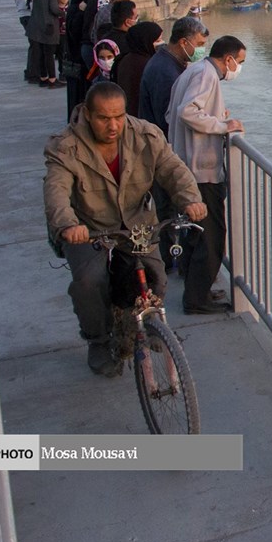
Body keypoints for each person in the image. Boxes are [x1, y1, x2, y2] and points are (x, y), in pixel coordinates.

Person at [43, 82, 206, 376]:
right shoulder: (66, 147)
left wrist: (191, 199)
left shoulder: (146, 135)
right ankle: (98, 340)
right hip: (87, 226)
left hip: (136, 221)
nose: (113, 125)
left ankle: (152, 326)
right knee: (89, 282)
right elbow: (56, 191)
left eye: (119, 116)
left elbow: (173, 169)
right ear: (88, 115)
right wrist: (67, 225)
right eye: (104, 118)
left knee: (155, 276)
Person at [166, 35, 246, 315]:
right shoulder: (207, 76)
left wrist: (214, 116)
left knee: (196, 232)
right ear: (228, 59)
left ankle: (196, 288)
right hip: (201, 170)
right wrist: (223, 125)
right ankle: (197, 299)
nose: (238, 69)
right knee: (212, 235)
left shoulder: (193, 70)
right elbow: (187, 111)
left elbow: (171, 114)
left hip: (185, 164)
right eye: (240, 62)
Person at [138, 16, 208, 265]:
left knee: (167, 208)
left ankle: (170, 260)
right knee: (167, 209)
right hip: (160, 153)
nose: (201, 50)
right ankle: (170, 261)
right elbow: (166, 118)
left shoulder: (167, 63)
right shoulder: (165, 72)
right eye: (199, 43)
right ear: (183, 41)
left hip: (159, 150)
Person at [24, 0, 66, 88]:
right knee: (49, 54)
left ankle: (43, 78)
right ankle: (52, 80)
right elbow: (53, 8)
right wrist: (64, 13)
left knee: (41, 53)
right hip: (49, 26)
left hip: (36, 25)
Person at [114, 21, 162, 117]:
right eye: (157, 41)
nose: (161, 43)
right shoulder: (146, 64)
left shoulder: (125, 59)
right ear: (146, 42)